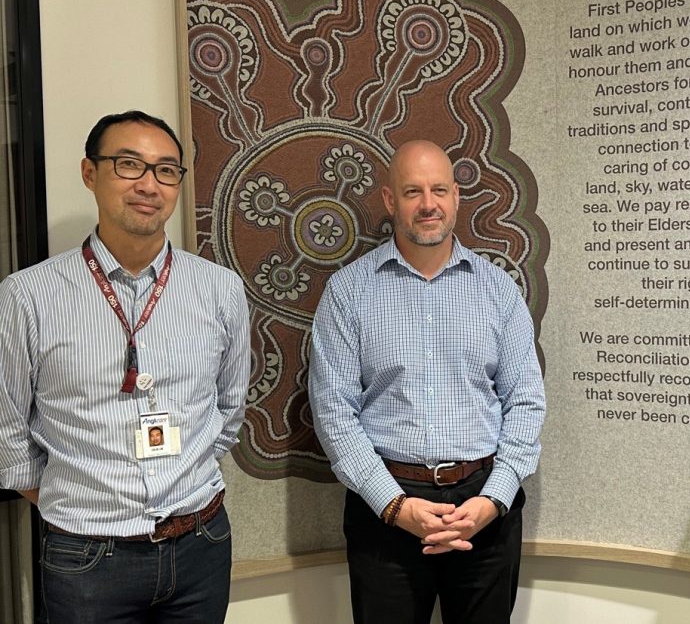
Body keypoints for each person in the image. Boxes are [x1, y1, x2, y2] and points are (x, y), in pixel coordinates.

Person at [0, 111, 250, 623]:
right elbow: (8, 429)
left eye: (165, 170)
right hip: (87, 558)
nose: (148, 184)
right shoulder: (27, 296)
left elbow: (229, 409)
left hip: (200, 543)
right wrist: (78, 500)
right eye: (128, 164)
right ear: (91, 173)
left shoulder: (219, 289)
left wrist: (190, 474)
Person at [309, 140, 545, 624]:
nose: (429, 204)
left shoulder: (498, 289)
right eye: (413, 191)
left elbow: (525, 402)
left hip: (485, 509)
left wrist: (492, 499)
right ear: (390, 201)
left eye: (439, 189)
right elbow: (334, 413)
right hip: (386, 510)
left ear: (457, 197)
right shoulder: (348, 292)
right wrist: (394, 506)